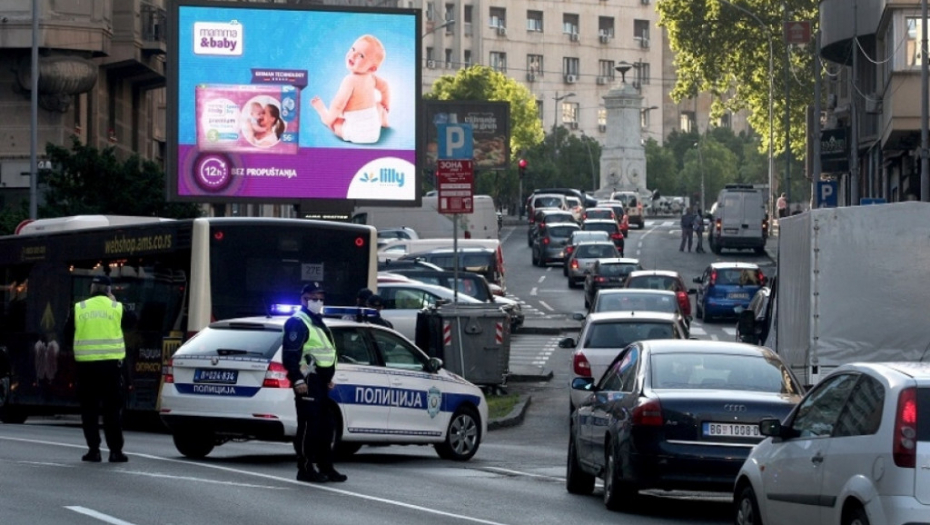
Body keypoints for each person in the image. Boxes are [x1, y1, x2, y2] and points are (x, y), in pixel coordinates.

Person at [63, 275, 134, 463]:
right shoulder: (116, 308)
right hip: (111, 367)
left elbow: (66, 336)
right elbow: (133, 323)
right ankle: (115, 452)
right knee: (112, 411)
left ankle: (93, 451)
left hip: (86, 368)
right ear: (109, 291)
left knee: (89, 411)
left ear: (91, 290)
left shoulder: (79, 308)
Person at [281, 282, 347, 483]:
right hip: (307, 381)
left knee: (325, 427)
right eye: (313, 298)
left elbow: (323, 353)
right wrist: (298, 379)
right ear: (303, 299)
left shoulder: (316, 320)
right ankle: (306, 468)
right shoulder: (298, 322)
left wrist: (327, 378)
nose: (318, 301)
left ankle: (325, 466)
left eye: (320, 298)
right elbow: (291, 355)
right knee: (309, 426)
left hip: (320, 382)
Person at [311, 34, 390, 144]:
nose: (352, 55)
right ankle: (383, 119)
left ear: (372, 68)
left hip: (355, 133)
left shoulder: (350, 80)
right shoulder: (372, 78)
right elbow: (385, 86)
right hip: (374, 133)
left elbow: (338, 104)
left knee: (334, 124)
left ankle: (323, 112)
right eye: (353, 49)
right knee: (378, 105)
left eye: (361, 56)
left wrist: (329, 120)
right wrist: (385, 104)